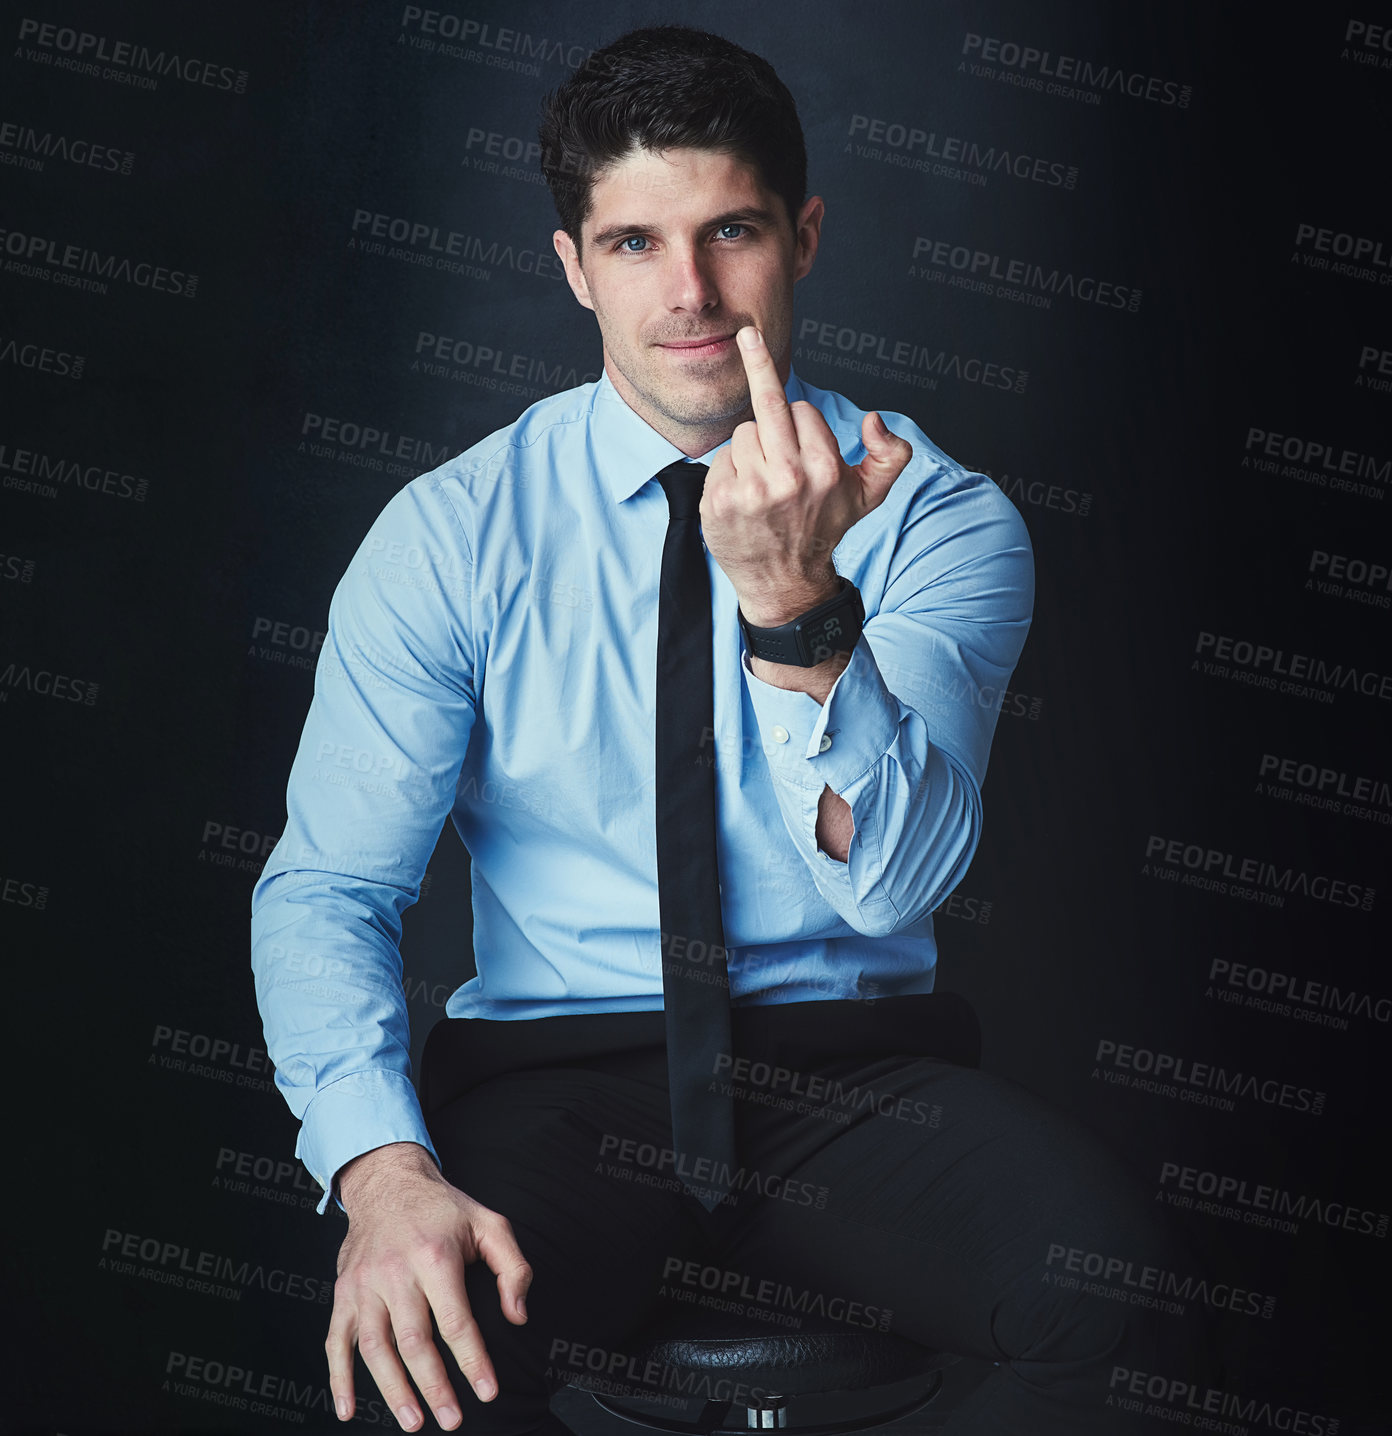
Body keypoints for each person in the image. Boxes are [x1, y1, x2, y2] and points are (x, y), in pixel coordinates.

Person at [251, 25, 1210, 1435]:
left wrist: (793, 605)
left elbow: (891, 878)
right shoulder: (451, 537)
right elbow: (330, 890)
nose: (690, 294)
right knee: (414, 1355)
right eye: (635, 244)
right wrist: (381, 1174)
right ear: (572, 267)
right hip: (556, 1081)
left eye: (732, 231)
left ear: (805, 236)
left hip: (852, 1076)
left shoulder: (940, 516)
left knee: (1125, 1314)